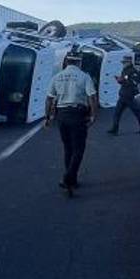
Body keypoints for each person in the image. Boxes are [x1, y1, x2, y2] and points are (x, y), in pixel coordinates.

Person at [45, 49, 98, 197]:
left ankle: (72, 179)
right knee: (78, 149)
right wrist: (93, 115)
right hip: (77, 114)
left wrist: (47, 117)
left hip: (62, 115)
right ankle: (68, 177)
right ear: (79, 62)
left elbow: (49, 98)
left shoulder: (57, 77)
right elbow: (92, 97)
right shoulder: (84, 76)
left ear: (67, 62)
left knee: (68, 148)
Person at [107, 56, 140, 135]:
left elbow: (134, 82)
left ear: (129, 62)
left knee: (137, 112)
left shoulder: (133, 71)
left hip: (130, 95)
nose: (123, 64)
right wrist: (120, 80)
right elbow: (125, 79)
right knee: (117, 112)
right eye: (123, 63)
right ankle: (115, 129)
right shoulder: (125, 70)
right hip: (123, 95)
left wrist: (122, 80)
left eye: (124, 62)